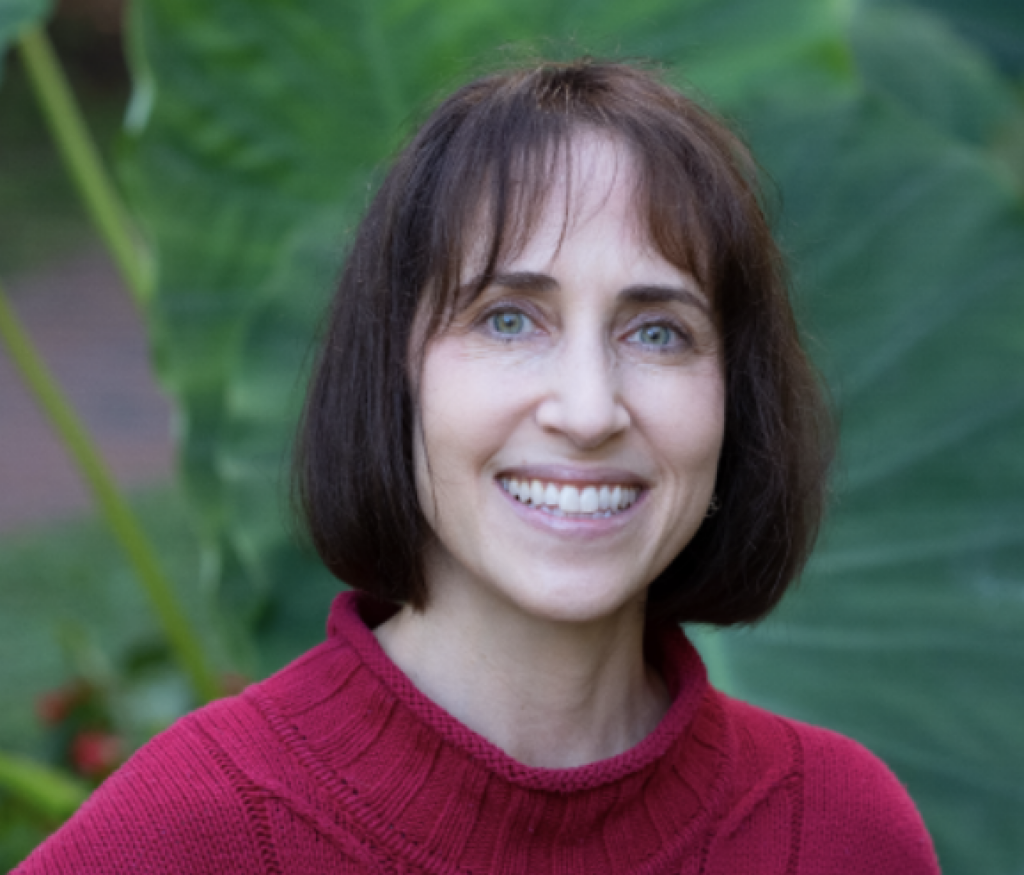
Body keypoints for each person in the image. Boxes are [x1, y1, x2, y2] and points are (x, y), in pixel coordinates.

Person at [17, 59, 941, 874]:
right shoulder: (198, 830)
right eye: (509, 317)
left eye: (658, 331)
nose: (587, 411)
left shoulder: (840, 831)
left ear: (733, 402)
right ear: (397, 375)